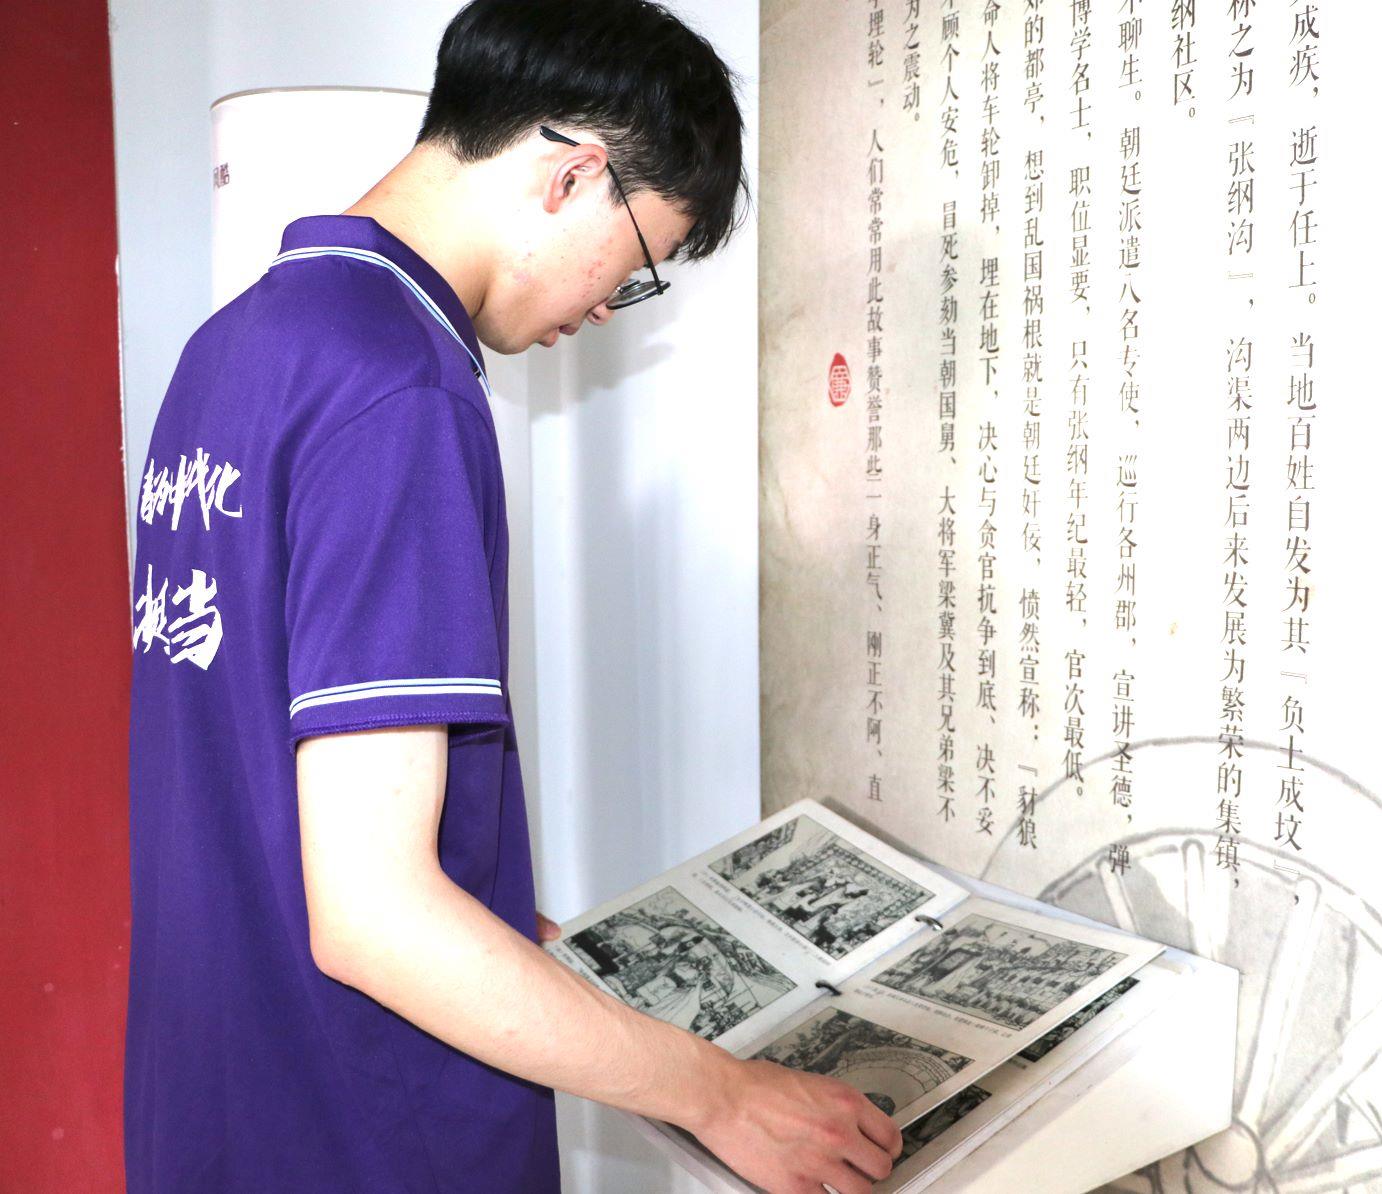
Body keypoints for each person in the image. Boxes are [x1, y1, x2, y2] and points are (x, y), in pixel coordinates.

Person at [123, 2, 902, 1191]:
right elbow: (374, 916)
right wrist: (723, 1094)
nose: (600, 309)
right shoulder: (400, 391)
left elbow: (268, 788)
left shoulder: (232, 349)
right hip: (365, 1134)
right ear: (574, 174)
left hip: (217, 1109)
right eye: (634, 265)